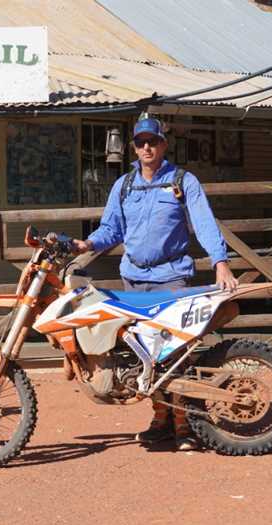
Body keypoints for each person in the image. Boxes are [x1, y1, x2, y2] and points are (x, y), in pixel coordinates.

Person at [72, 118, 238, 451]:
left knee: (174, 353)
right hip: (133, 279)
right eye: (140, 142)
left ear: (163, 145)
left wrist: (221, 263)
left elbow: (204, 224)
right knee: (144, 355)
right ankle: (161, 419)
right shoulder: (124, 185)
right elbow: (111, 230)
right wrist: (87, 245)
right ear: (134, 148)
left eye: (153, 141)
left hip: (172, 278)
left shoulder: (182, 181)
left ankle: (185, 425)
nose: (146, 147)